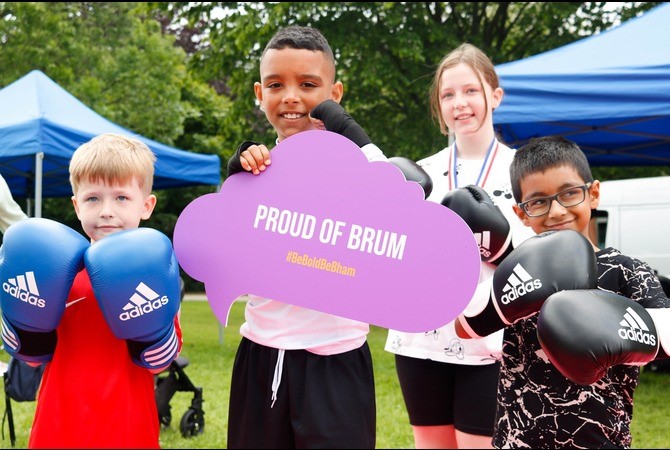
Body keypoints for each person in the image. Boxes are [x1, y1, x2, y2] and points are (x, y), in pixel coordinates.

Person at [224, 25, 392, 449]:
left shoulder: (359, 166)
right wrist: (237, 177)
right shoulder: (258, 168)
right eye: (277, 85)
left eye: (309, 85)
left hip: (336, 358)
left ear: (335, 92)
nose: (292, 96)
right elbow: (229, 250)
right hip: (261, 352)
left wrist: (348, 129)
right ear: (258, 94)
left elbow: (399, 200)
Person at [383, 43, 533, 449]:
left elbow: (544, 258)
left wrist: (500, 244)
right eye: (448, 95)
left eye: (470, 91)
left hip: (490, 341)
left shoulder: (525, 170)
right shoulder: (422, 172)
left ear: (495, 95)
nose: (459, 103)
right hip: (420, 340)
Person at [0, 133, 183, 448]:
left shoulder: (153, 271)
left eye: (121, 198)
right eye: (93, 198)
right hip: (59, 426)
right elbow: (29, 357)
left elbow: (161, 362)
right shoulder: (56, 270)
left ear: (147, 205)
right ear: (77, 205)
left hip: (127, 426)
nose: (106, 211)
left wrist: (152, 332)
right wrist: (22, 322)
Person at [490, 135, 670, 448]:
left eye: (569, 194)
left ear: (594, 194)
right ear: (521, 213)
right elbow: (465, 327)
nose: (557, 211)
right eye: (538, 201)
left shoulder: (627, 270)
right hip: (516, 439)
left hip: (601, 438)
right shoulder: (516, 269)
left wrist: (623, 332)